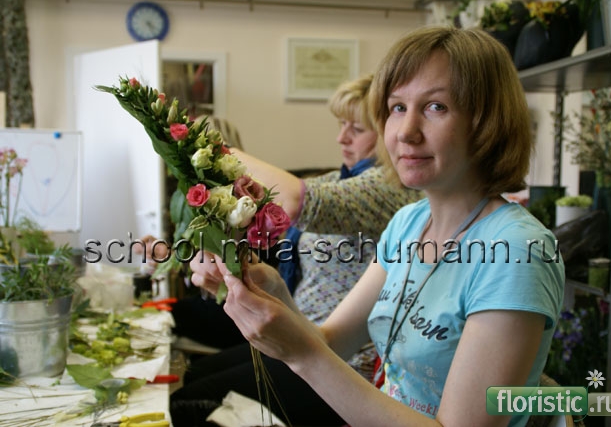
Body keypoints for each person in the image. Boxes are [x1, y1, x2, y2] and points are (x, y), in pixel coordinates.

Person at [190, 26, 565, 427]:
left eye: (436, 107)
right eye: (397, 108)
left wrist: (303, 355)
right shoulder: (409, 223)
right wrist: (269, 288)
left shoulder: (517, 252)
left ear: (487, 123)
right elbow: (332, 341)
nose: (406, 132)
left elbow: (317, 353)